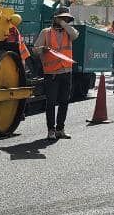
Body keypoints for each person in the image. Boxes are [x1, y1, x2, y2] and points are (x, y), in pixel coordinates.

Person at [33, 8, 80, 140]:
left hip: (66, 72)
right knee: (51, 103)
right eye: (61, 18)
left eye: (66, 19)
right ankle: (51, 130)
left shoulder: (68, 32)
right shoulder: (46, 33)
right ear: (55, 19)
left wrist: (64, 24)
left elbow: (76, 35)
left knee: (64, 101)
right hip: (52, 73)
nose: (64, 21)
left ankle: (60, 129)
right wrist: (43, 49)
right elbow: (35, 50)